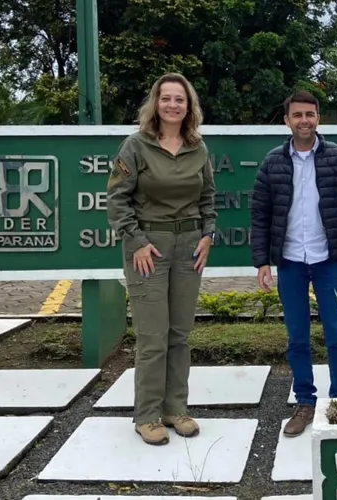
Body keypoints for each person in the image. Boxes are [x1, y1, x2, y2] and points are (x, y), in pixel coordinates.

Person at [106, 72, 217, 446]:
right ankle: (147, 415)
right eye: (166, 98)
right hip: (148, 247)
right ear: (156, 103)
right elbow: (117, 199)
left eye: (180, 100)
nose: (173, 105)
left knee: (180, 335)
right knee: (153, 336)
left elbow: (208, 199)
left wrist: (208, 234)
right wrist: (135, 241)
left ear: (189, 107)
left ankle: (175, 410)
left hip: (189, 246)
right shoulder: (135, 146)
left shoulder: (197, 148)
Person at [249, 90, 337, 437]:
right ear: (287, 120)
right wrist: (262, 261)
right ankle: (304, 401)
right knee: (297, 336)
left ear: (319, 118)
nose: (304, 120)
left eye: (310, 114)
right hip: (289, 262)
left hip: (328, 260)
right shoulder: (273, 162)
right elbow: (260, 214)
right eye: (297, 115)